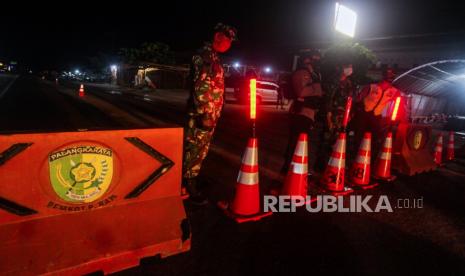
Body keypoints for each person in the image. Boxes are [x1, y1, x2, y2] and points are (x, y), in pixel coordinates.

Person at [183, 23, 237, 204]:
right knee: (194, 149)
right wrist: (205, 113)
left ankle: (192, 178)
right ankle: (187, 185)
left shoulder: (213, 57)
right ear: (217, 37)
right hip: (202, 114)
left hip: (208, 113)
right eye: (228, 40)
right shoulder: (205, 56)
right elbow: (201, 87)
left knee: (201, 149)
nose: (229, 44)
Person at [282, 51, 325, 176]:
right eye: (315, 59)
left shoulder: (313, 74)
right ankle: (287, 169)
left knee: (300, 142)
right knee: (295, 142)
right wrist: (317, 89)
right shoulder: (302, 73)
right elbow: (301, 92)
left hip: (308, 113)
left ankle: (293, 168)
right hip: (300, 112)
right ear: (307, 60)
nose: (317, 62)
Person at [349, 68, 399, 159]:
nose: (389, 78)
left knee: (374, 139)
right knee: (358, 137)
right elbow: (358, 99)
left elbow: (399, 102)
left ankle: (368, 158)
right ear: (383, 76)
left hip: (376, 116)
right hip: (363, 114)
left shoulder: (394, 92)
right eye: (388, 75)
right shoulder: (371, 87)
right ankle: (354, 157)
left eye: (391, 76)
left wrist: (394, 118)